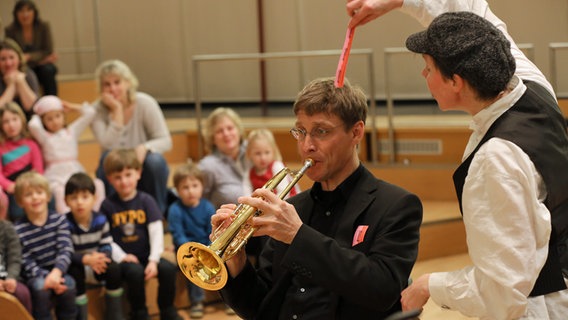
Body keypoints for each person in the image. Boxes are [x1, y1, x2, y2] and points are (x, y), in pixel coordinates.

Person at [347, 0, 568, 318]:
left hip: (540, 307)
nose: (423, 72)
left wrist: (429, 285)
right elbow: (473, 15)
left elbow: (504, 293)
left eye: (429, 66)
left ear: (456, 82)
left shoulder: (496, 162)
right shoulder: (532, 87)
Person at [213, 77, 423, 319]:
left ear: (356, 132)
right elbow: (261, 307)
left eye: (321, 132)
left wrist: (298, 235)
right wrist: (237, 262)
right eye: (300, 132)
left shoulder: (395, 205)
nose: (306, 145)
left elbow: (382, 290)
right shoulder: (293, 208)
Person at [99, 148, 180, 320]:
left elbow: (156, 231)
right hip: (125, 259)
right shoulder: (107, 205)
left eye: (128, 174)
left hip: (148, 256)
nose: (124, 181)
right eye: (118, 177)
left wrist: (153, 260)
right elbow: (105, 238)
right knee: (135, 272)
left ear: (138, 173)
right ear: (109, 179)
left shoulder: (146, 200)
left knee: (168, 269)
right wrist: (121, 256)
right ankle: (139, 312)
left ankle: (167, 309)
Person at [90, 59, 172, 214]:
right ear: (101, 88)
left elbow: (165, 140)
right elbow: (107, 144)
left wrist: (145, 147)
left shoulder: (145, 103)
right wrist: (117, 110)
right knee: (106, 158)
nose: (112, 88)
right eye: (107, 84)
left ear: (128, 83)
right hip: (115, 167)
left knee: (156, 161)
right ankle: (112, 214)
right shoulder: (97, 110)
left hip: (142, 167)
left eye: (117, 82)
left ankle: (157, 214)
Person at [13, 171, 77, 320]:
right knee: (40, 288)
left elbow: (65, 249)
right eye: (28, 194)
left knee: (69, 286)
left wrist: (56, 273)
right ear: (20, 201)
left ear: (48, 196)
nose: (35, 197)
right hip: (36, 275)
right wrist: (47, 277)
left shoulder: (59, 220)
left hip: (59, 272)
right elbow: (25, 260)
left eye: (39, 192)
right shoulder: (18, 229)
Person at [28, 95, 105, 213]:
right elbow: (33, 125)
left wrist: (72, 107)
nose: (54, 121)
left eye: (58, 116)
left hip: (74, 170)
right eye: (49, 119)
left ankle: (96, 214)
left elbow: (90, 113)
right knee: (59, 191)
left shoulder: (71, 131)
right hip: (55, 175)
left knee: (98, 184)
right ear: (43, 121)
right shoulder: (45, 137)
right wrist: (39, 111)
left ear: (64, 115)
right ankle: (66, 220)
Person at [65, 172, 124, 320]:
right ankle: (81, 315)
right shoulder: (64, 223)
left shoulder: (101, 220)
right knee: (74, 270)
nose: (79, 202)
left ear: (94, 199)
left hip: (97, 264)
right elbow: (66, 251)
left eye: (85, 197)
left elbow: (107, 244)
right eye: (74, 198)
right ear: (66, 201)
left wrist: (100, 258)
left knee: (114, 268)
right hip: (78, 264)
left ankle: (114, 314)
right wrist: (85, 259)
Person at [242, 128, 301, 267]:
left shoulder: (277, 166)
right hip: (264, 212)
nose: (263, 157)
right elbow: (246, 194)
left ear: (273, 152)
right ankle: (259, 261)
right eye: (257, 153)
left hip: (287, 208)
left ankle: (270, 261)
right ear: (249, 154)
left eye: (266, 152)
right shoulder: (249, 172)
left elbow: (283, 193)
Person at [167, 162, 215, 319]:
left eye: (195, 185)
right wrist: (195, 251)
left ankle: (228, 299)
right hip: (186, 249)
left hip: (207, 246)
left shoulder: (208, 207)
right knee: (194, 264)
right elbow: (178, 235)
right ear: (177, 190)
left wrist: (208, 249)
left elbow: (212, 232)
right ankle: (197, 301)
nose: (190, 191)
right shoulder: (175, 209)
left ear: (202, 186)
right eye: (185, 187)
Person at [198, 107, 250, 210]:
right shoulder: (207, 167)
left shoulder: (256, 150)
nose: (226, 134)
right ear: (212, 138)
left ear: (238, 130)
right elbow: (199, 205)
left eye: (230, 128)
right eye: (219, 131)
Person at [0, 101, 43, 222]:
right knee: (17, 210)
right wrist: (10, 186)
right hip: (13, 188)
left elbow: (38, 169)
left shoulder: (31, 144)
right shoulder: (1, 147)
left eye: (14, 119)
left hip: (31, 183)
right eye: (6, 122)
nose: (11, 125)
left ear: (22, 120)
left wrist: (31, 185)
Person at [5, 0, 58, 96]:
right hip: (22, 66)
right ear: (16, 14)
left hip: (41, 66)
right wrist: (41, 59)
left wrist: (29, 56)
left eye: (28, 10)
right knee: (23, 74)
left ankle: (52, 104)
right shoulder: (10, 30)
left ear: (34, 12)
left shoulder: (43, 26)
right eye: (21, 11)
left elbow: (48, 50)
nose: (25, 15)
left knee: (48, 70)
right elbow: (10, 52)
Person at [0, 38, 39, 120]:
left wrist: (21, 82)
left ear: (19, 59)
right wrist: (11, 86)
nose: (8, 63)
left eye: (12, 57)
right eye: (3, 59)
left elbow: (33, 108)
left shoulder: (28, 74)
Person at [0, 218, 32, 314]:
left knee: (22, 294)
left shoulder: (6, 228)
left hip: (8, 277)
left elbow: (15, 259)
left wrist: (11, 278)